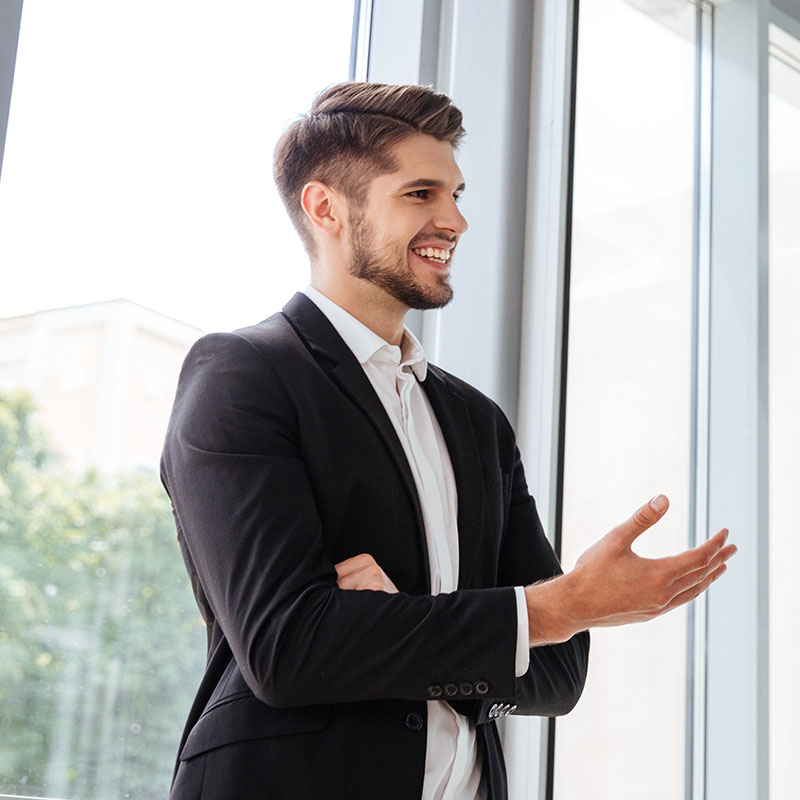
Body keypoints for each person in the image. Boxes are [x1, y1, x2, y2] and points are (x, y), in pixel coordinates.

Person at [160, 82, 736, 800]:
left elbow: (556, 680)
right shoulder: (243, 375)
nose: (456, 219)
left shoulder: (477, 421)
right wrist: (549, 612)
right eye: (421, 193)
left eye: (456, 194)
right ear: (326, 207)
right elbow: (287, 650)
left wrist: (397, 625)